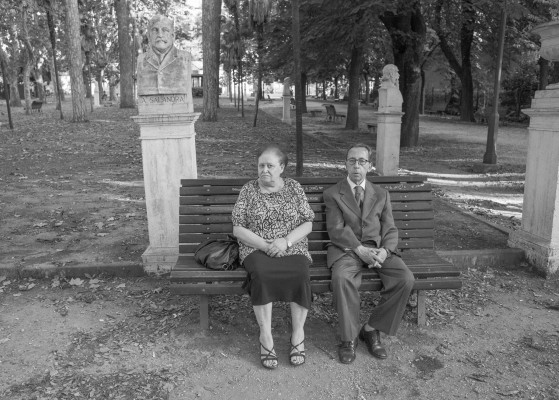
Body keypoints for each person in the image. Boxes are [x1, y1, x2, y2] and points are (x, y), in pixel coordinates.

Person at [323, 143, 415, 364]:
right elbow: (336, 230)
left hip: (378, 250)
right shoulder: (333, 194)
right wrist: (359, 249)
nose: (356, 166)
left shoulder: (381, 194)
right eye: (352, 161)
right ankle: (349, 338)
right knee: (342, 278)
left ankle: (371, 329)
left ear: (369, 166)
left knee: (405, 279)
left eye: (362, 161)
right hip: (347, 250)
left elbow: (390, 229)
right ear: (345, 164)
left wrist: (385, 251)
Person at [232, 145, 315, 369]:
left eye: (270, 165)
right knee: (261, 273)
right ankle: (265, 336)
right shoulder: (248, 190)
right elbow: (238, 229)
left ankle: (298, 334)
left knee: (300, 272)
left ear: (282, 167)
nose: (265, 170)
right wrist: (266, 245)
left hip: (291, 246)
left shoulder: (294, 188)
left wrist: (285, 242)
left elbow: (307, 222)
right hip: (256, 247)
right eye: (261, 165)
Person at [136, 15, 192, 96]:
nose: (160, 35)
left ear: (173, 36)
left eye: (165, 30)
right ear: (149, 36)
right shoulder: (141, 59)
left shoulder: (185, 58)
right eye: (155, 30)